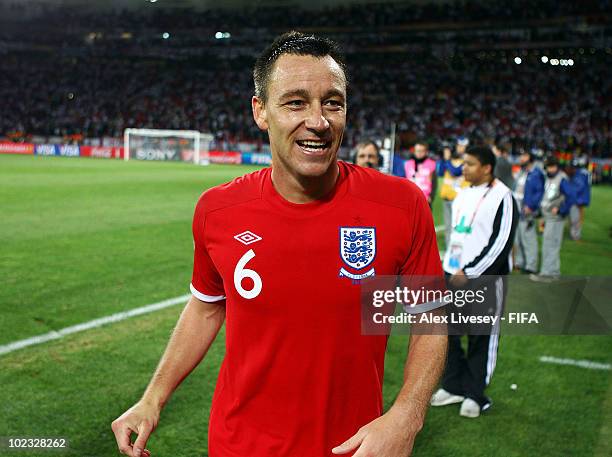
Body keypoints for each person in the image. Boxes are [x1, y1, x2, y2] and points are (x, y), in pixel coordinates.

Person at [111, 31, 448, 457]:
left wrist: (407, 414)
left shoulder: (402, 206)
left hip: (353, 447)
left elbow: (431, 318)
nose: (319, 121)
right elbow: (206, 304)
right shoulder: (217, 210)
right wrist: (152, 397)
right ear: (261, 111)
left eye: (332, 102)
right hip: (239, 445)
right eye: (295, 102)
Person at [431, 145, 518, 418]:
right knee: (450, 334)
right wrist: (449, 267)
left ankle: (475, 394)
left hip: (485, 279)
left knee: (481, 337)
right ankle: (454, 385)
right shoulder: (463, 194)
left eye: (469, 164)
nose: (463, 168)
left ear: (486, 168)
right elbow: (458, 235)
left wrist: (470, 272)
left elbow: (501, 244)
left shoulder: (504, 197)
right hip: (452, 274)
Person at [530, 156, 575, 281]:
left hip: (555, 218)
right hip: (548, 216)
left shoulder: (562, 179)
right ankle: (553, 272)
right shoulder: (549, 177)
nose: (550, 169)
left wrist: (561, 210)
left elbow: (571, 196)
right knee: (550, 244)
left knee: (550, 245)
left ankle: (547, 273)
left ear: (557, 167)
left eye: (552, 167)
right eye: (548, 167)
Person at [513, 149, 545, 274]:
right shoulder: (522, 172)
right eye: (520, 155)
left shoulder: (536, 173)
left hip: (527, 210)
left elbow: (539, 192)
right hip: (517, 209)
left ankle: (531, 266)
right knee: (518, 238)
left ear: (530, 158)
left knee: (529, 239)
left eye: (524, 156)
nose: (521, 158)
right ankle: (520, 262)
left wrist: (531, 206)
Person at [438, 137, 469, 248]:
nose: (459, 148)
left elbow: (455, 171)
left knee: (457, 227)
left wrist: (447, 160)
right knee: (448, 227)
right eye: (458, 145)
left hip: (458, 199)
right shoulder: (450, 161)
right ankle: (448, 251)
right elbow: (440, 172)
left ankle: (457, 250)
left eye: (462, 146)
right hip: (447, 197)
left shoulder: (467, 161)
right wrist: (444, 159)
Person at [404, 140, 437, 206]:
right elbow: (404, 180)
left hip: (425, 199)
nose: (419, 153)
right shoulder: (408, 163)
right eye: (417, 151)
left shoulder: (431, 164)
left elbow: (434, 183)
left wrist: (431, 197)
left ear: (426, 152)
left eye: (422, 151)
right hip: (410, 198)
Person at [565, 159, 591, 241]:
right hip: (579, 199)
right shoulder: (581, 173)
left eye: (570, 167)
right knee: (575, 218)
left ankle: (575, 235)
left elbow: (577, 189)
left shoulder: (579, 175)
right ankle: (574, 234)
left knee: (576, 218)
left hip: (578, 200)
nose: (568, 169)